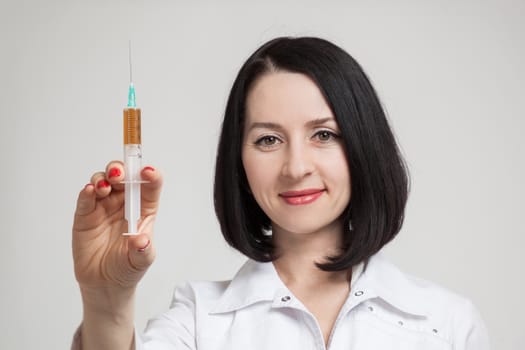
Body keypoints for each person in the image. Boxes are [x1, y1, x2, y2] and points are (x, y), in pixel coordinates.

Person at [72, 37, 490, 349]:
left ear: (364, 145)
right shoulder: (200, 321)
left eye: (324, 134)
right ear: (238, 160)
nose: (295, 167)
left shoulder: (447, 324)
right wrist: (106, 296)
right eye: (268, 140)